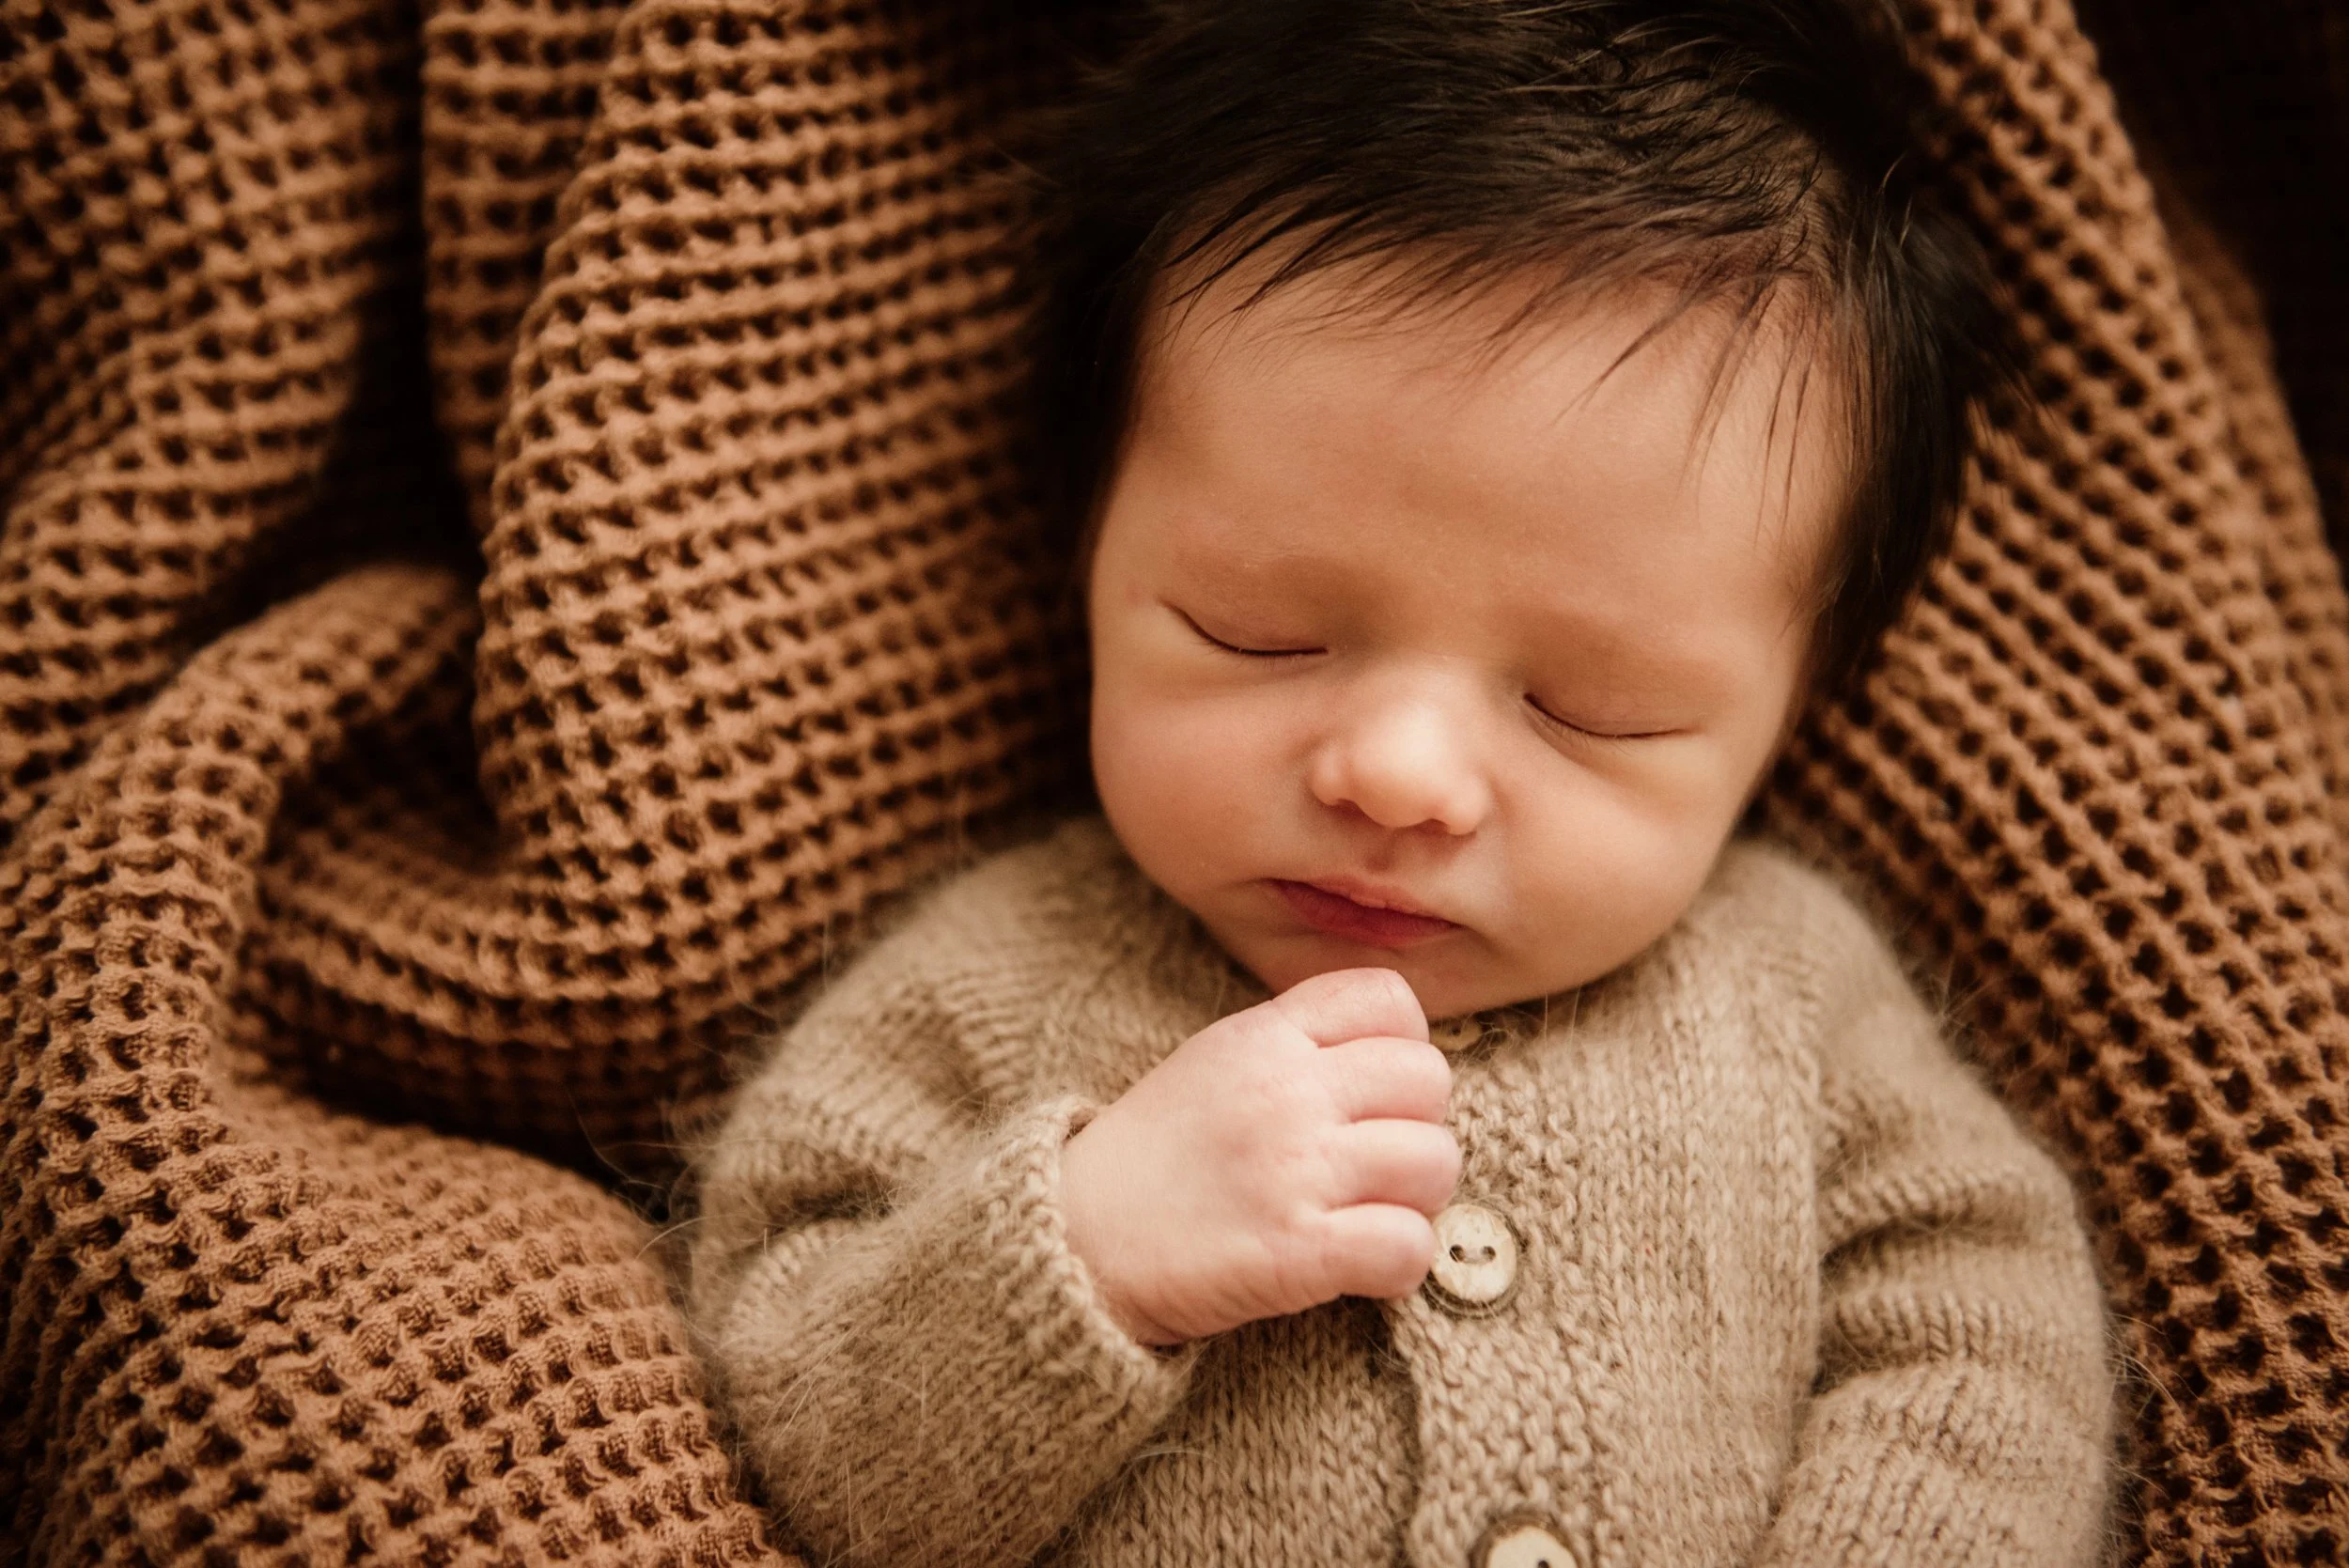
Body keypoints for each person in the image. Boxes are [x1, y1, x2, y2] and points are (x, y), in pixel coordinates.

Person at [685, 2, 2116, 1564]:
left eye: (1594, 708)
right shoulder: (992, 987)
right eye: (1260, 632)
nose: (1401, 776)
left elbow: (1982, 1331)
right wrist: (1081, 1247)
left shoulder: (1790, 996)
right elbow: (796, 1415)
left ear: (1796, 712)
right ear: (1083, 557)